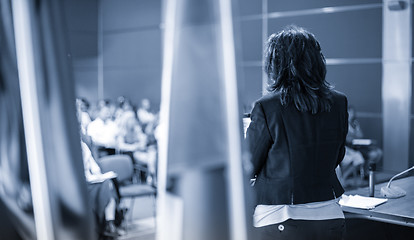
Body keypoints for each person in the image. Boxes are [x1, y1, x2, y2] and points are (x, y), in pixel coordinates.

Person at [247, 25, 348, 240]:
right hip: (330, 217)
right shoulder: (339, 102)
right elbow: (338, 156)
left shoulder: (267, 107)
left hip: (280, 219)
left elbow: (248, 165)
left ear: (276, 64)